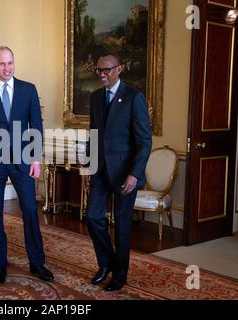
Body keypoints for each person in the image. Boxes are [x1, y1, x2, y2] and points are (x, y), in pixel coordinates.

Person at [0, 46, 54, 284]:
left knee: (29, 210)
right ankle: (0, 265)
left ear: (14, 63)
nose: (7, 68)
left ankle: (37, 263)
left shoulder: (28, 90)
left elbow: (36, 125)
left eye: (10, 63)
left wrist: (36, 158)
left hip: (23, 162)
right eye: (2, 64)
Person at [86, 53, 152, 291]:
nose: (102, 75)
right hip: (101, 172)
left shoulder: (134, 97)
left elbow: (144, 141)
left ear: (119, 69)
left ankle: (120, 275)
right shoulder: (94, 98)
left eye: (107, 70)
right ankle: (106, 263)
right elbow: (93, 137)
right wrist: (90, 169)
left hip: (126, 174)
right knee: (92, 217)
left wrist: (134, 174)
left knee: (122, 227)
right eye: (99, 71)